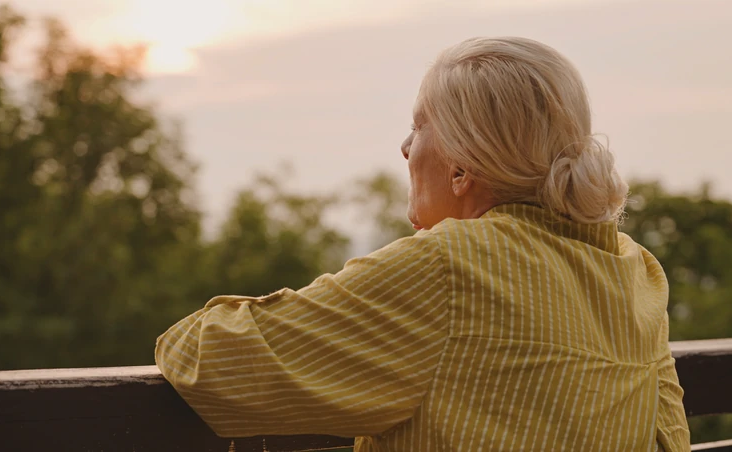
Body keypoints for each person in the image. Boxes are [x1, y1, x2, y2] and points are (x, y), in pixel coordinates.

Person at [155, 36, 690, 451]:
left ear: (461, 168)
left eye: (419, 125)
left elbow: (207, 361)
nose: (405, 147)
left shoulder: (450, 268)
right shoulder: (633, 270)